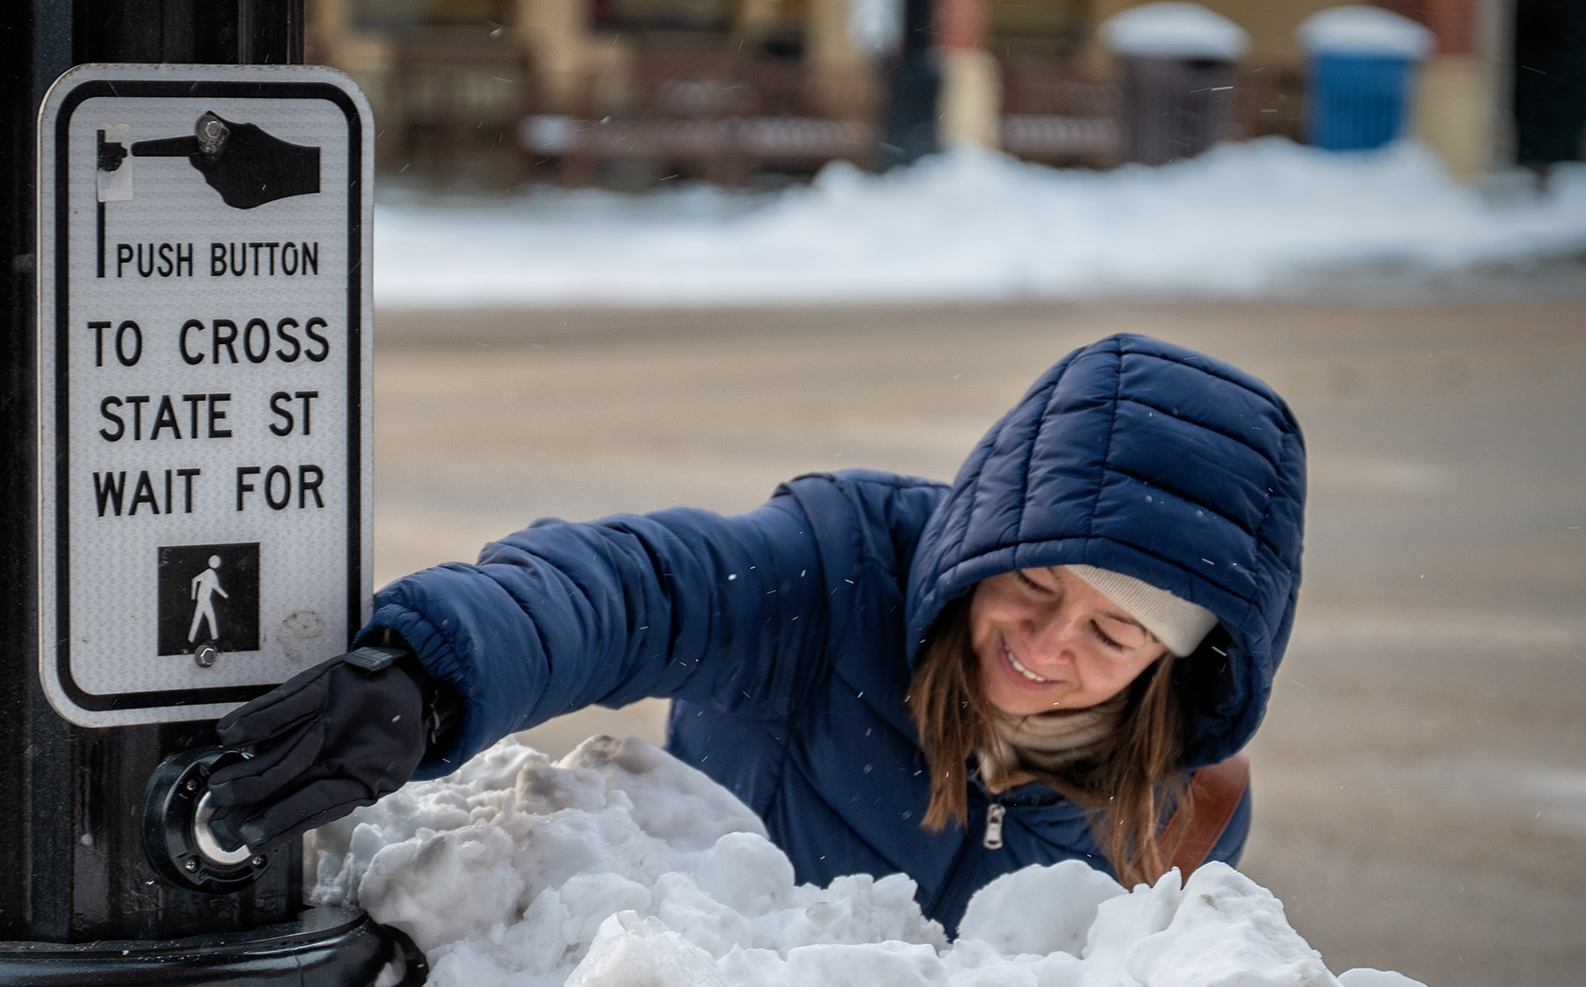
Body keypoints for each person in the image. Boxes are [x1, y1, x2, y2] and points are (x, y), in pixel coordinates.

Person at [209, 333, 1306, 934]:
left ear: (1177, 663)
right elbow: (631, 588)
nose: (1049, 643)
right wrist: (435, 675)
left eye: (1114, 634)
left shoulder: (1184, 802)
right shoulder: (836, 574)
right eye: (1034, 582)